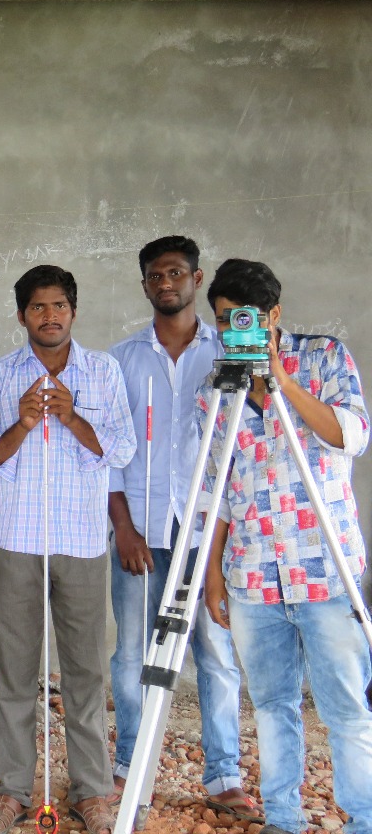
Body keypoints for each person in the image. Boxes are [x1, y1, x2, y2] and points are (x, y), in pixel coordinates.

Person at [201, 258, 372, 834]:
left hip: (324, 571)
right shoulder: (217, 388)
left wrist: (281, 381)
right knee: (272, 706)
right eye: (224, 321)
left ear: (273, 314)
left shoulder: (325, 358)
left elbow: (352, 435)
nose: (234, 332)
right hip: (252, 575)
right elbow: (216, 489)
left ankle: (364, 819)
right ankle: (282, 818)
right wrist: (213, 574)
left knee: (346, 708)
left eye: (245, 318)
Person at [0, 265, 134, 834]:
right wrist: (21, 423)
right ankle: (12, 788)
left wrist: (72, 416)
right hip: (18, 541)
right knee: (14, 670)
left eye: (59, 305)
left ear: (73, 311)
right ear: (22, 316)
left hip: (82, 542)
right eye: (38, 307)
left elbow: (122, 449)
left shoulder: (102, 371)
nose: (50, 316)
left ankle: (91, 790)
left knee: (84, 672)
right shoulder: (1, 375)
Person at [107, 237, 259, 818]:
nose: (165, 282)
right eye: (155, 275)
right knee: (131, 656)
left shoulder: (229, 355)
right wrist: (123, 528)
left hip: (206, 534)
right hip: (141, 534)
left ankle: (223, 777)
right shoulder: (122, 359)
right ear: (145, 284)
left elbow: (241, 449)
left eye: (175, 272)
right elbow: (110, 453)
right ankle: (131, 767)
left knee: (215, 655)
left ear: (196, 279)